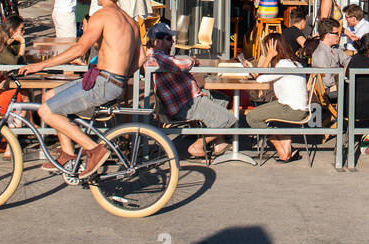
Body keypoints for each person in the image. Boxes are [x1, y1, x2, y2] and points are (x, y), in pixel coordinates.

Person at [23, 0, 144, 178]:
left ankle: (93, 149)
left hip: (103, 82)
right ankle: (67, 154)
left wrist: (40, 66)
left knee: (46, 111)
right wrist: (122, 74)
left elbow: (79, 49)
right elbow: (141, 58)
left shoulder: (102, 16)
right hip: (113, 81)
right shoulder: (130, 22)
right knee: (49, 96)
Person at [145, 22, 236, 158]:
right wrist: (192, 60)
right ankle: (198, 145)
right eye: (169, 39)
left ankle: (219, 142)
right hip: (186, 104)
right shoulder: (156, 57)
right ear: (157, 42)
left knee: (222, 99)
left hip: (190, 98)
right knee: (228, 119)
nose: (173, 42)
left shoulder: (161, 56)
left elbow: (176, 63)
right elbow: (179, 65)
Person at [244, 34, 309, 162]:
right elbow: (263, 77)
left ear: (271, 47)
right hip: (295, 107)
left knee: (251, 117)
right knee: (260, 113)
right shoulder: (293, 62)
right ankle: (284, 140)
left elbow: (260, 80)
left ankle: (283, 146)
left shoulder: (283, 64)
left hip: (290, 109)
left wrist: (268, 57)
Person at [309, 18, 342, 92]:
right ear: (327, 35)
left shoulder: (335, 47)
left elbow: (347, 60)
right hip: (329, 91)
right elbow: (328, 81)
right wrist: (342, 75)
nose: (339, 36)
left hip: (337, 86)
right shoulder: (320, 53)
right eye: (336, 33)